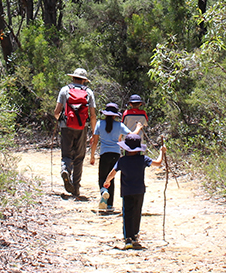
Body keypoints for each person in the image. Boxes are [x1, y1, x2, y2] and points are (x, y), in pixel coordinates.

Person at [102, 133, 165, 249]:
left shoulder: (122, 160)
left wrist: (107, 181)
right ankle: (135, 235)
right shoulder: (143, 159)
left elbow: (113, 172)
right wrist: (162, 152)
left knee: (127, 213)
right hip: (139, 190)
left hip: (127, 191)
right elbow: (158, 163)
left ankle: (128, 238)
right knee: (137, 212)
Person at [53, 68, 97, 198]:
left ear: (73, 77)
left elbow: (56, 112)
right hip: (82, 128)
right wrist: (94, 132)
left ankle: (65, 170)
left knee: (66, 154)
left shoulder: (64, 90)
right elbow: (93, 115)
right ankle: (76, 187)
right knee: (79, 157)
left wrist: (62, 121)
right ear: (84, 80)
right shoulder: (88, 92)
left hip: (66, 127)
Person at [89, 102, 138, 215]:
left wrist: (92, 156)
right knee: (111, 179)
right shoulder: (119, 125)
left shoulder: (99, 123)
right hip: (116, 154)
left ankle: (104, 192)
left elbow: (95, 141)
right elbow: (131, 135)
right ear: (116, 115)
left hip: (104, 154)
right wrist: (138, 128)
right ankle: (110, 205)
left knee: (102, 178)